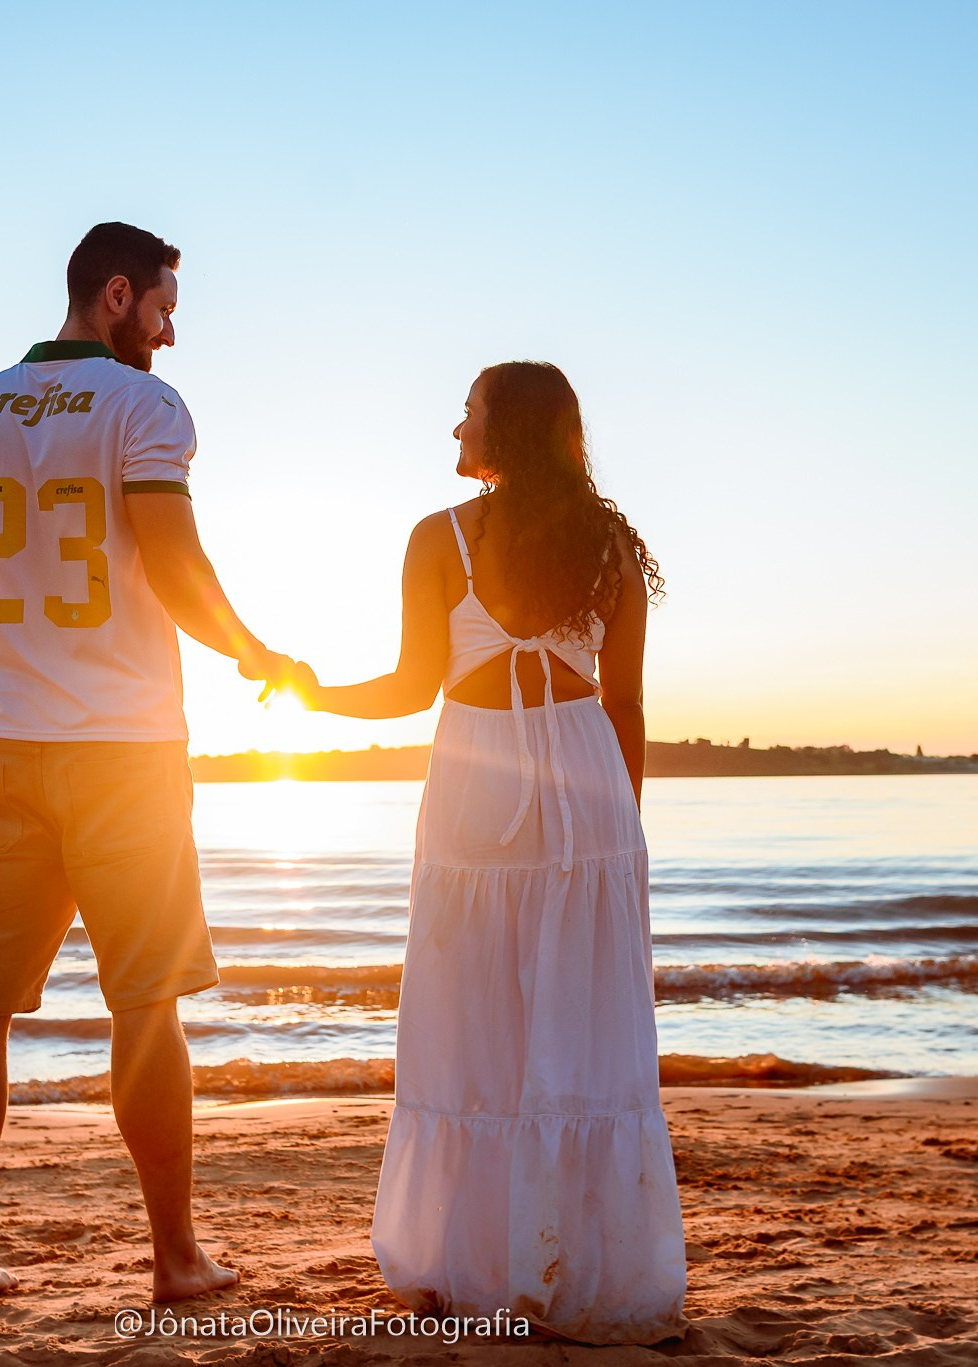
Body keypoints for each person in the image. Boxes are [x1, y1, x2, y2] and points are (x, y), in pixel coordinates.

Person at [0, 222, 284, 1313]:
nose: (169, 335)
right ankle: (174, 1256)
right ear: (114, 294)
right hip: (123, 751)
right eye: (163, 308)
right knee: (145, 1003)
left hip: (6, 746)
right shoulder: (142, 406)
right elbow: (171, 557)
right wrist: (255, 651)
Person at [289, 361, 688, 1343]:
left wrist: (310, 691)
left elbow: (408, 683)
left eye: (465, 413)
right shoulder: (610, 542)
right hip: (584, 783)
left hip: (475, 776)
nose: (452, 428)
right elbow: (625, 703)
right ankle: (566, 1259)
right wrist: (620, 833)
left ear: (504, 431)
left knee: (468, 1015)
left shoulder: (439, 537)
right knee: (574, 1022)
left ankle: (462, 1258)